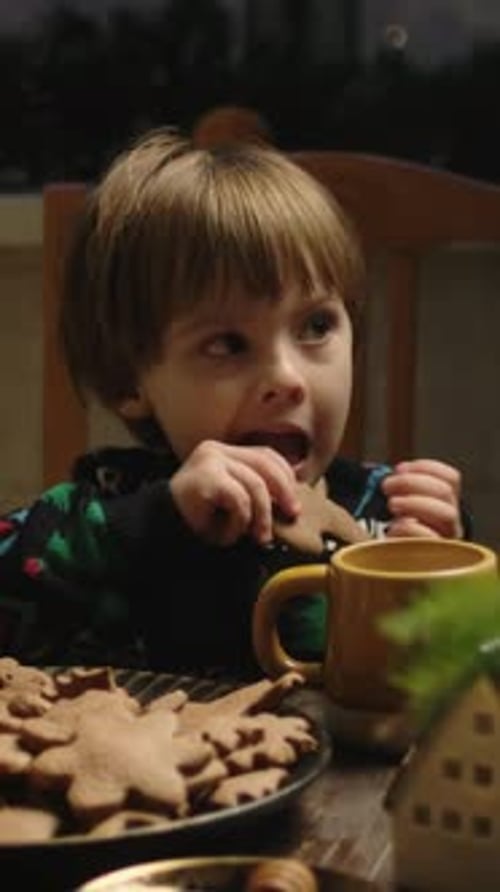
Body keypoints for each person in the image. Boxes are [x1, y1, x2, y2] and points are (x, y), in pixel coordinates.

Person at [0, 129, 468, 676]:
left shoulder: (381, 514)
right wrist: (156, 522)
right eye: (227, 344)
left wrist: (444, 568)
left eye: (316, 326)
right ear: (131, 380)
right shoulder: (115, 507)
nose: (287, 379)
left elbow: (450, 693)